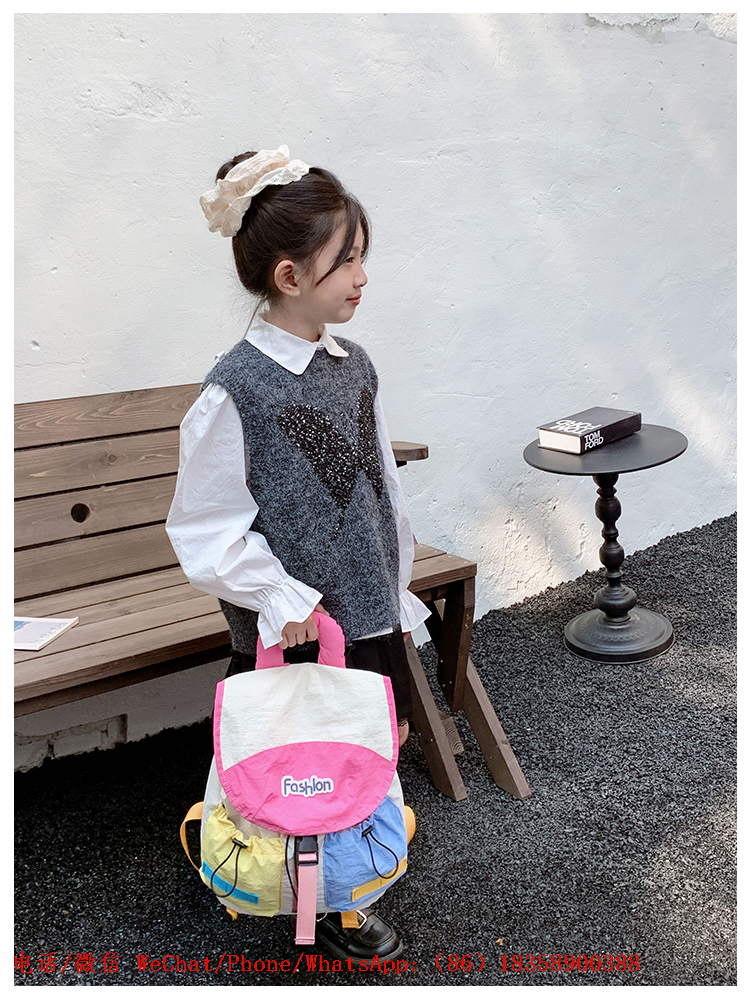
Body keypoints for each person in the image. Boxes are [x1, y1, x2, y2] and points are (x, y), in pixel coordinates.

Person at [166, 145, 429, 961]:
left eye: (361, 257)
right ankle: (246, 867)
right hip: (297, 632)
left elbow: (380, 487)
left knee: (365, 757)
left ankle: (347, 895)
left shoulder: (355, 367)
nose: (361, 277)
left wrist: (394, 584)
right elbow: (205, 529)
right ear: (289, 275)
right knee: (279, 765)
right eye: (345, 261)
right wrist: (282, 599)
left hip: (367, 616)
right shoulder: (237, 388)